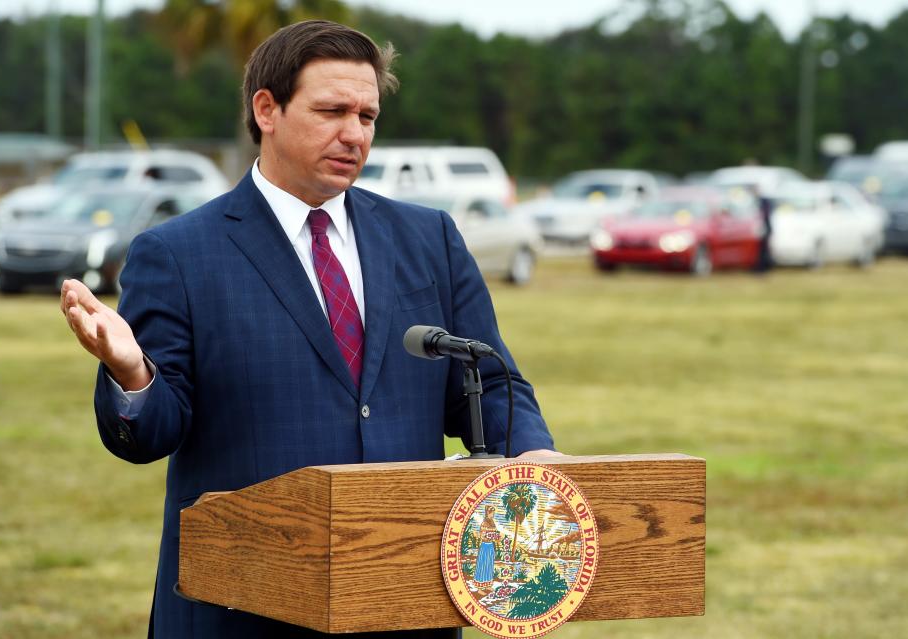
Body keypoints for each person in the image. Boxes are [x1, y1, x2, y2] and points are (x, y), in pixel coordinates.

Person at [60, 19, 557, 639]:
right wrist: (132, 371)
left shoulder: (429, 238)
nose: (354, 134)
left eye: (368, 116)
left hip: (403, 602)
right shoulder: (178, 253)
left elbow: (490, 382)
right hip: (242, 606)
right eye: (331, 111)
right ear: (266, 109)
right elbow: (151, 432)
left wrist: (541, 463)